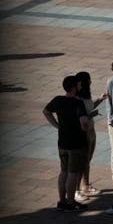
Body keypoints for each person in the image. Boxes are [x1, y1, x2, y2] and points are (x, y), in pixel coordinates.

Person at [42, 75, 90, 212]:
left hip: (62, 141)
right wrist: (85, 129)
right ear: (74, 88)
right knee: (73, 173)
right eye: (78, 85)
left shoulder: (58, 100)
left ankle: (62, 201)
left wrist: (57, 125)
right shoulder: (77, 103)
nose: (80, 87)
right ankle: (71, 202)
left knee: (63, 171)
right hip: (76, 143)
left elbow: (46, 111)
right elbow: (84, 122)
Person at [74, 71, 108, 201]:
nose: (91, 82)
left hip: (91, 130)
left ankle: (85, 184)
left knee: (88, 159)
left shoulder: (86, 96)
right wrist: (90, 116)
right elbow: (80, 116)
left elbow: (89, 107)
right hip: (84, 132)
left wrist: (100, 99)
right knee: (82, 161)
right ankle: (80, 188)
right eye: (89, 80)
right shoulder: (77, 99)